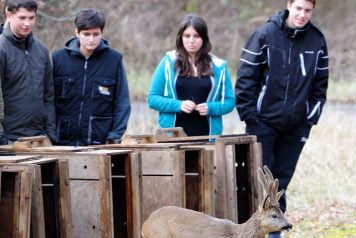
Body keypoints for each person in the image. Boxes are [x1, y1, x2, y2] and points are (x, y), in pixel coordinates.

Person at [235, 0, 329, 238]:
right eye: (298, 8)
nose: (302, 15)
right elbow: (245, 79)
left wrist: (309, 118)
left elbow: (321, 85)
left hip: (296, 125)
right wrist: (251, 117)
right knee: (259, 180)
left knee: (282, 180)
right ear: (289, 5)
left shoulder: (317, 41)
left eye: (307, 10)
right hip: (263, 122)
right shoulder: (265, 35)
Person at [52, 8, 131, 146]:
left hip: (100, 142)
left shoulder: (114, 60)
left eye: (96, 34)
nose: (91, 39)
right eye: (86, 34)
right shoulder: (58, 59)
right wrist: (49, 133)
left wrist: (115, 135)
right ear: (77, 32)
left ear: (102, 32)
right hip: (62, 141)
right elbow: (48, 100)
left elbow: (122, 102)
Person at [148, 15, 235, 137]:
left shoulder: (218, 66)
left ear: (204, 38)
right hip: (172, 139)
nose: (191, 41)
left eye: (196, 36)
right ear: (181, 37)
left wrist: (211, 108)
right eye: (187, 36)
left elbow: (230, 101)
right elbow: (152, 99)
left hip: (208, 137)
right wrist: (179, 105)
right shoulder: (168, 62)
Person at [0, 0, 55, 142]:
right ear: (9, 15)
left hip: (40, 139)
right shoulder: (1, 48)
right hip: (9, 139)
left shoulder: (41, 51)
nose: (27, 24)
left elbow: (48, 95)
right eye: (22, 18)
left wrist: (50, 134)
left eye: (31, 18)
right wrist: (2, 138)